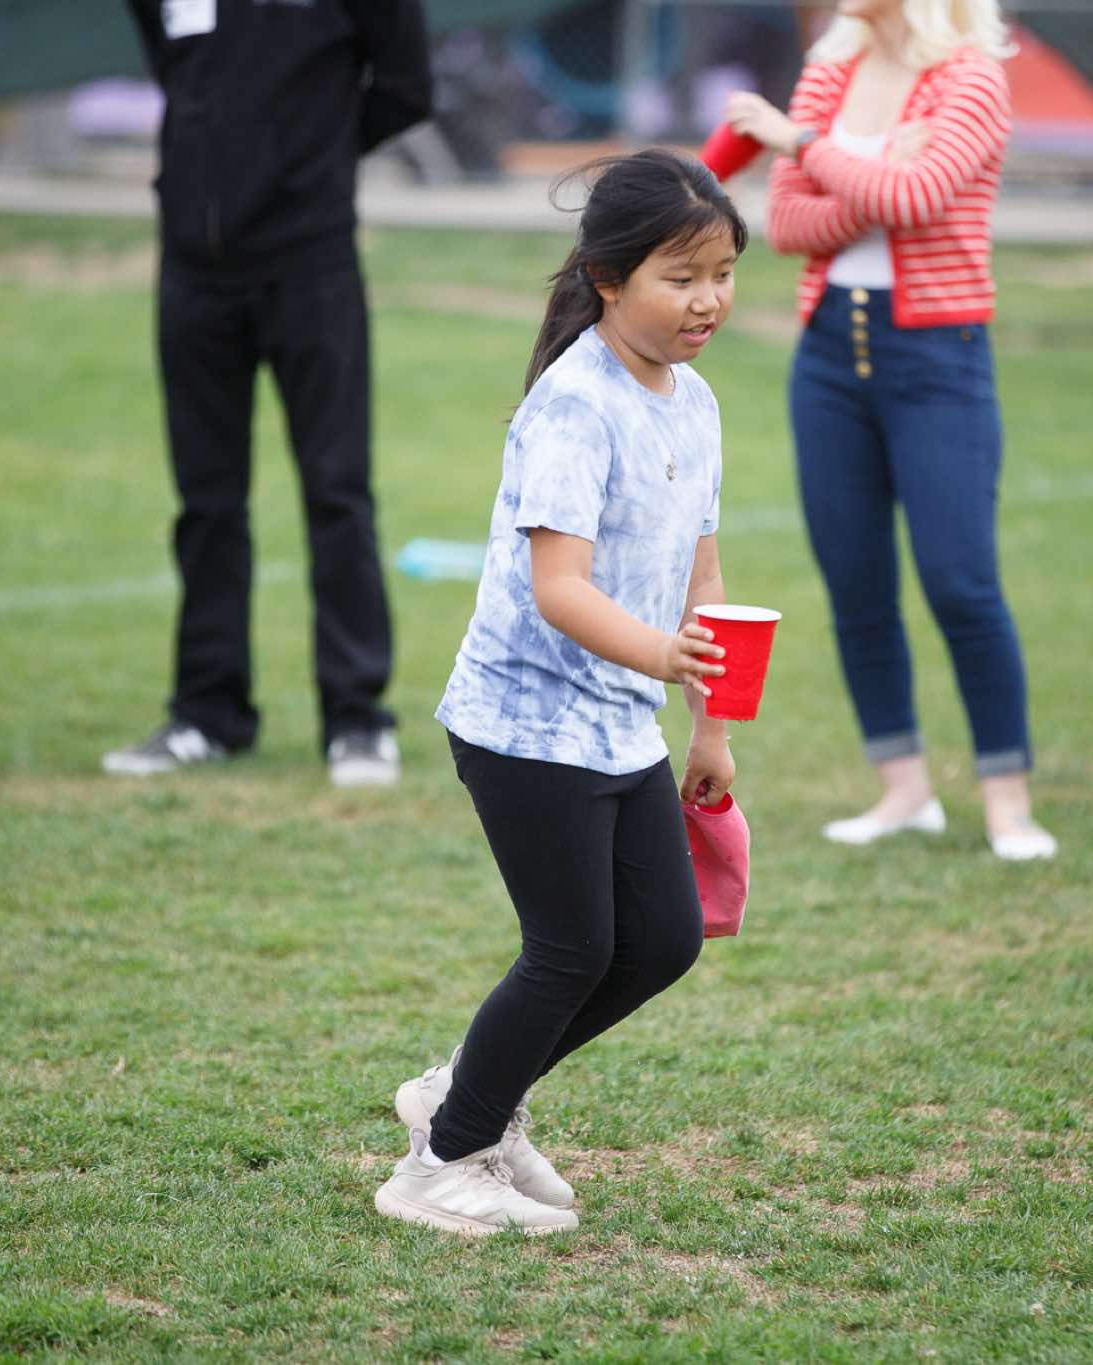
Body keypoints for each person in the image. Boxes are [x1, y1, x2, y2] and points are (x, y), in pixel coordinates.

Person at [374, 150, 742, 1236]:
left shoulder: (694, 401)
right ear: (607, 278)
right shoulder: (575, 405)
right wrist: (662, 657)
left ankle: (467, 1095)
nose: (708, 300)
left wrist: (711, 727)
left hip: (619, 723)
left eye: (723, 274)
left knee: (663, 939)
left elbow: (704, 579)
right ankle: (440, 1163)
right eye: (681, 277)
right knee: (572, 947)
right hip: (524, 722)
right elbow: (559, 588)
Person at [723, 0, 1056, 860]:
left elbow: (920, 195)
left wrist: (805, 147)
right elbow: (789, 225)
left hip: (940, 356)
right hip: (828, 352)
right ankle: (903, 789)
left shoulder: (971, 77)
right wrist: (870, 178)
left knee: (960, 583)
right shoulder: (829, 68)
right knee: (854, 582)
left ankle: (1008, 802)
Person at [106, 0, 432, 786]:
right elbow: (175, 65)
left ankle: (356, 718)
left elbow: (407, 88)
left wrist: (305, 153)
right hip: (192, 270)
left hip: (310, 262)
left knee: (337, 490)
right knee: (206, 502)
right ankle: (208, 713)